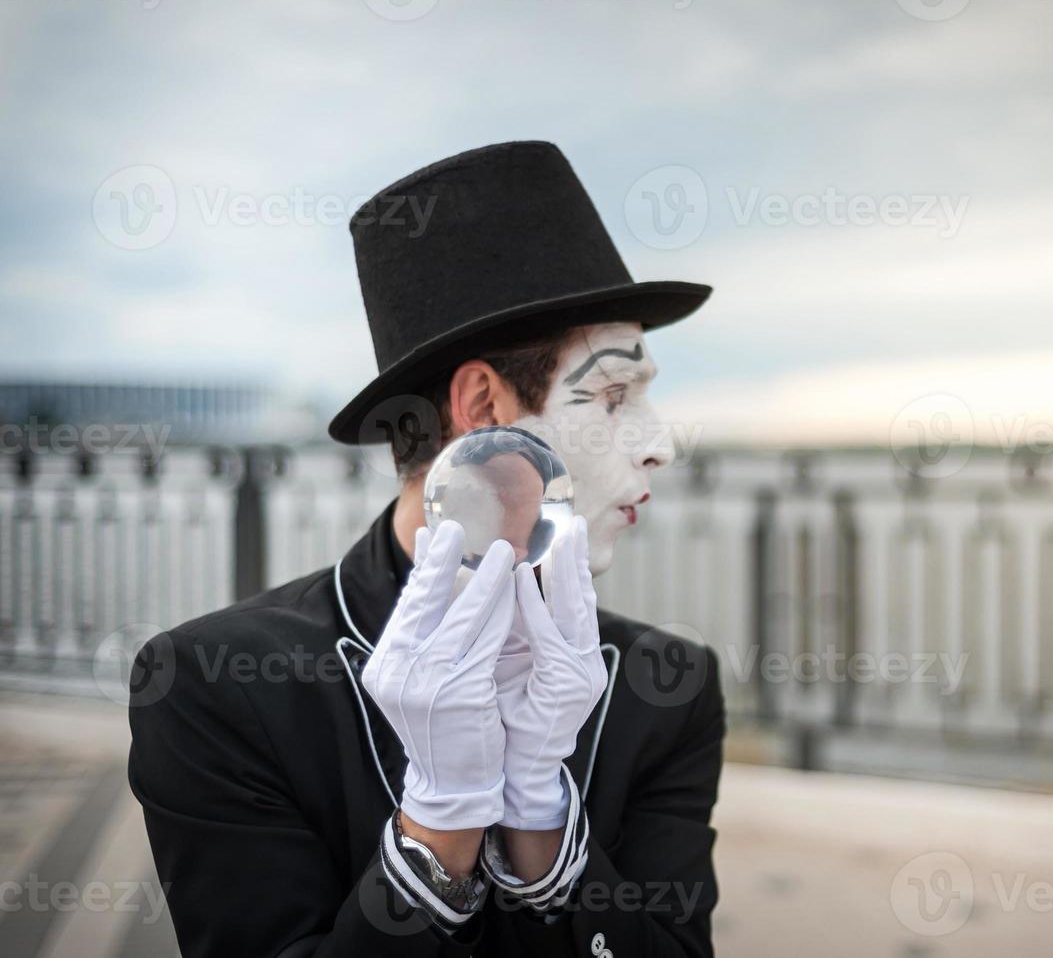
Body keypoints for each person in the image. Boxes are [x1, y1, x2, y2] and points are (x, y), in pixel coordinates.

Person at [127, 141, 725, 957]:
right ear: (483, 405)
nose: (660, 446)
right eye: (615, 396)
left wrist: (540, 825)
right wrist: (434, 830)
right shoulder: (215, 686)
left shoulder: (668, 686)